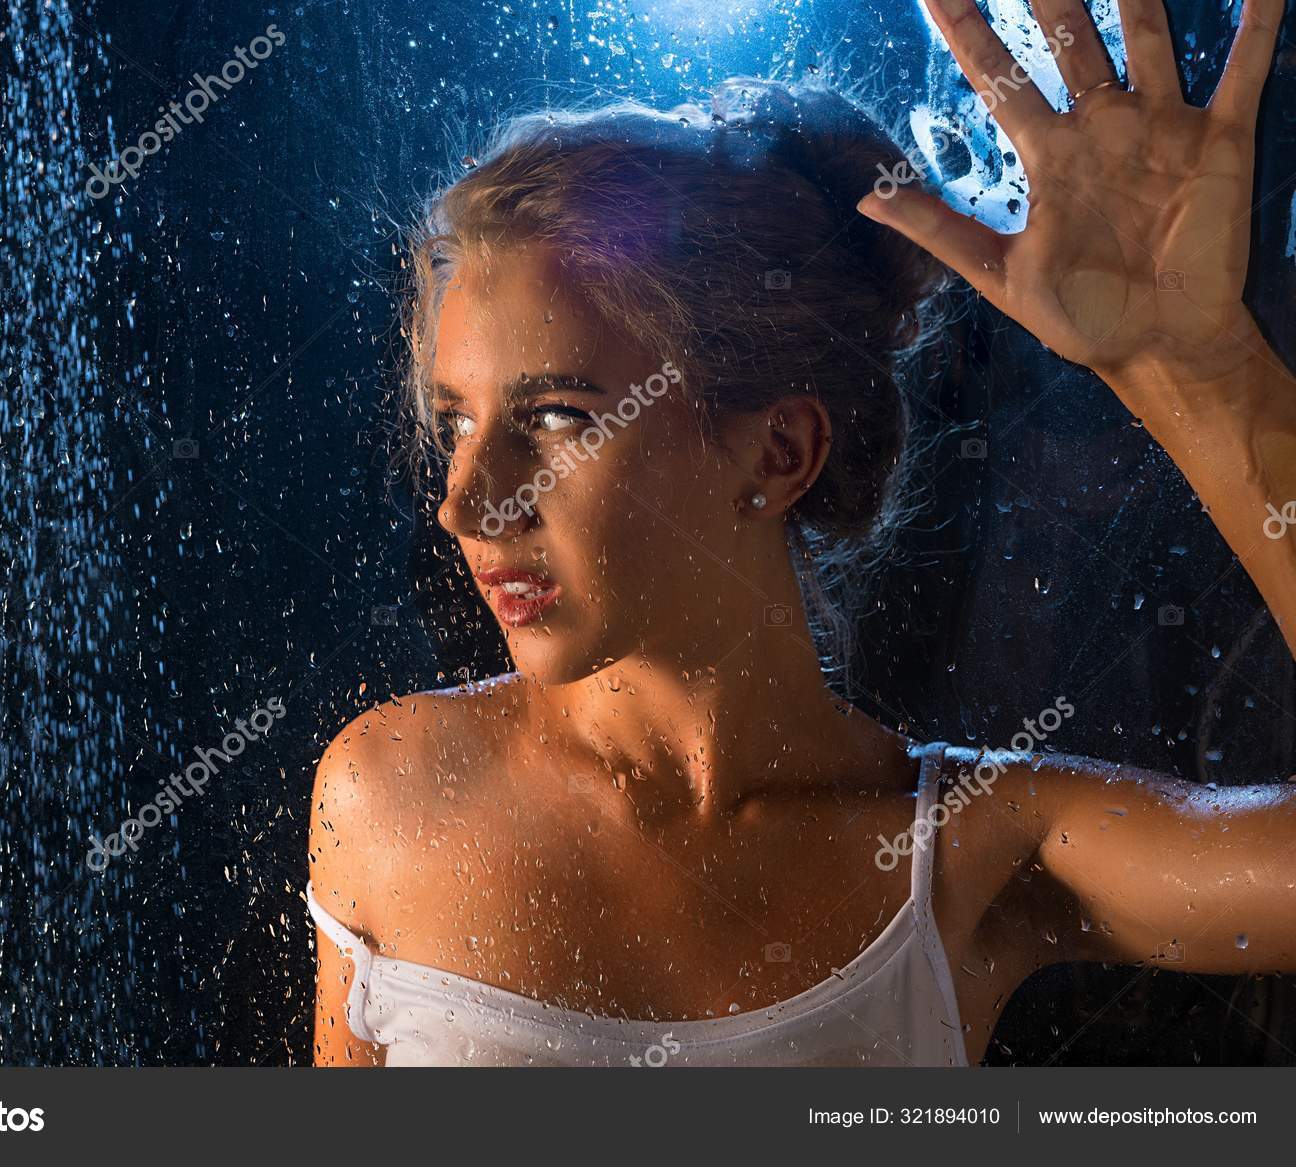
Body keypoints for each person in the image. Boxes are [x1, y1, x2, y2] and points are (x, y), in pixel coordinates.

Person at [307, 0, 1296, 1065]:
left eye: (557, 417)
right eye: (456, 421)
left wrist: (1198, 368)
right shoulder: (389, 796)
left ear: (777, 452)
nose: (465, 503)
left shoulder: (962, 858)